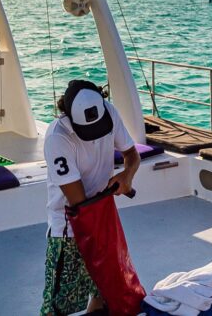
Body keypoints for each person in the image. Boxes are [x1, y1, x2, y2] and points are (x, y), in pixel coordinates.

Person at [41, 80, 139, 316]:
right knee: (56, 307)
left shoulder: (109, 111)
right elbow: (78, 202)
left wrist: (127, 175)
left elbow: (131, 154)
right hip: (71, 228)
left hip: (103, 217)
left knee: (105, 294)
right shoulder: (57, 138)